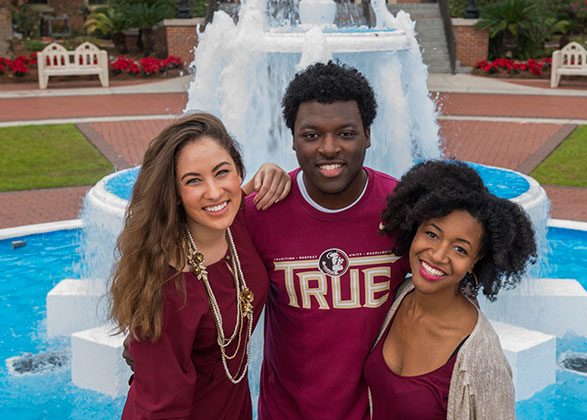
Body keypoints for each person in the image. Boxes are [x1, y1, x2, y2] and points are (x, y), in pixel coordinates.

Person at [244, 61, 409, 420]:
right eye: (312, 134)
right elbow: (197, 265)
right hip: (285, 413)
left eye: (346, 134)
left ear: (368, 134)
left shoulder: (402, 209)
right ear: (292, 139)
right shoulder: (262, 210)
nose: (329, 148)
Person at [109, 112, 291, 420]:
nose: (214, 192)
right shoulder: (168, 288)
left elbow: (235, 196)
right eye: (193, 181)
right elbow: (160, 409)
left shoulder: (235, 224)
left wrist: (273, 171)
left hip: (233, 406)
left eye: (222, 172)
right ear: (175, 194)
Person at [364, 159, 537, 420]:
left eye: (460, 249)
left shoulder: (482, 360)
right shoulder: (398, 296)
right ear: (415, 229)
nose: (438, 255)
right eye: (432, 234)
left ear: (475, 260)